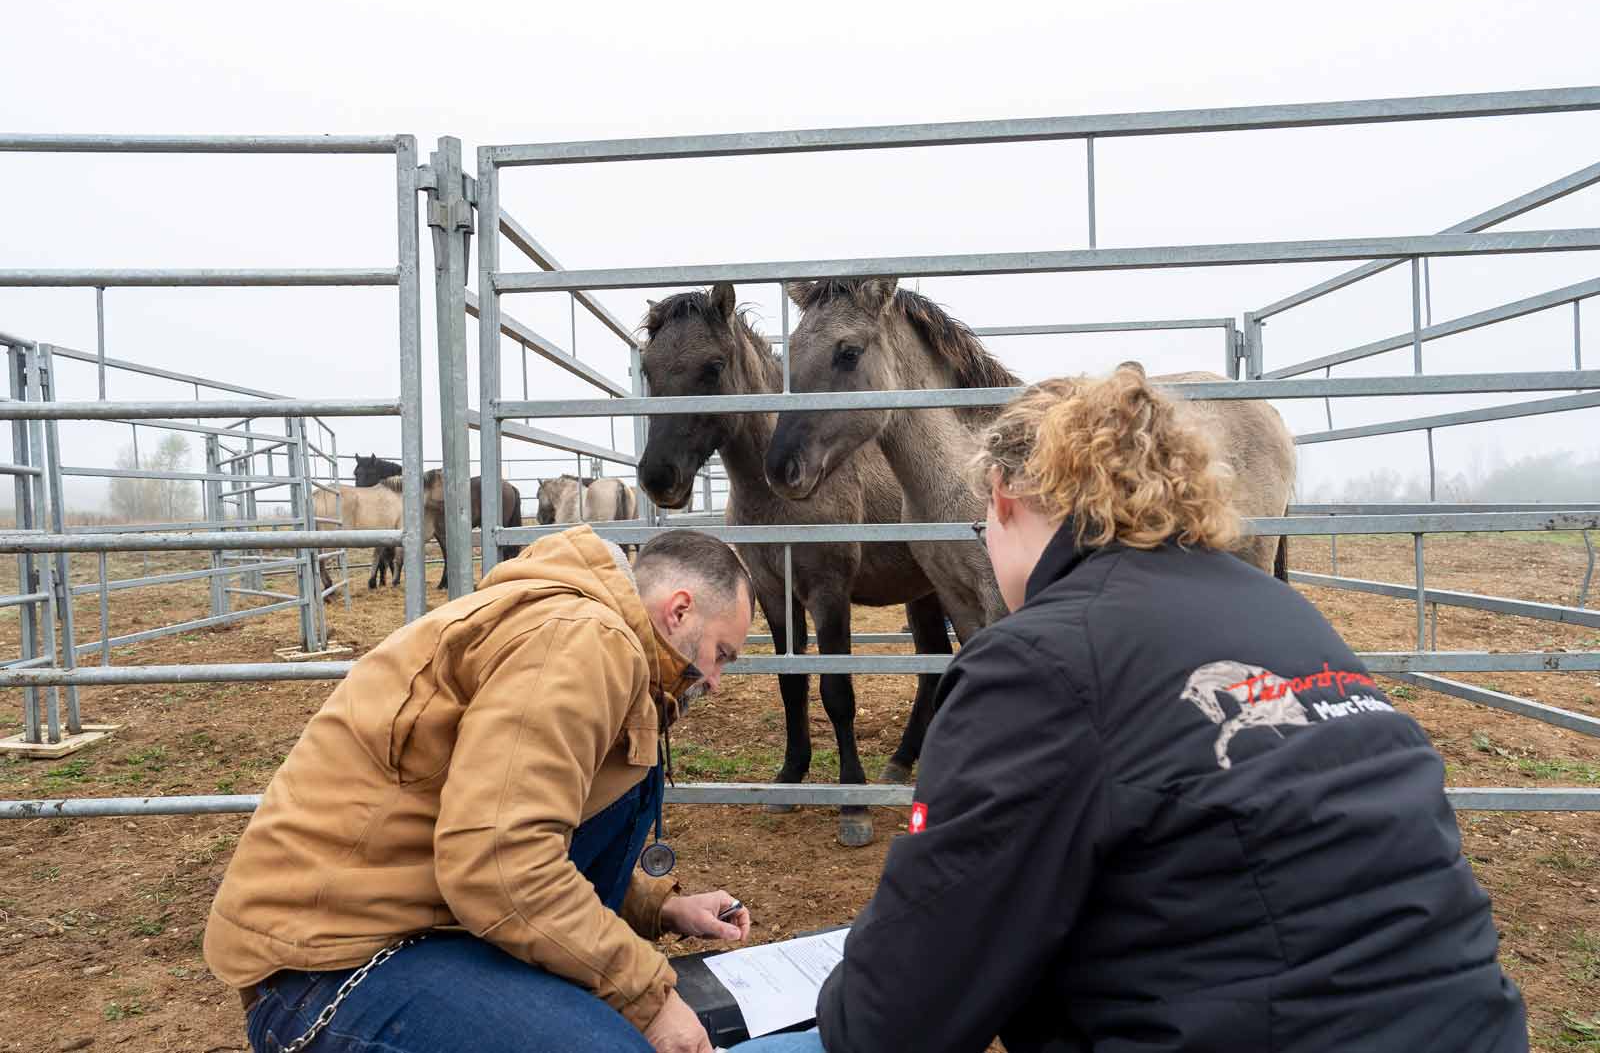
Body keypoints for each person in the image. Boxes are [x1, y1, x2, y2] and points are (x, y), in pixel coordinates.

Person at [738, 366, 1526, 1053]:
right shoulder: (1294, 621)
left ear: (1007, 497)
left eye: (982, 514)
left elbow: (894, 1019)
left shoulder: (1035, 658)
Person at [204, 524, 757, 1053]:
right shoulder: (584, 639)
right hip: (333, 965)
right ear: (680, 609)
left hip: (424, 925)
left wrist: (659, 908)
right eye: (721, 654)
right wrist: (649, 1001)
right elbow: (498, 863)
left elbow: (522, 833)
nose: (715, 679)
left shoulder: (603, 646)